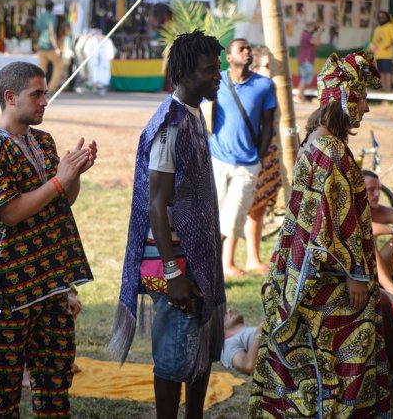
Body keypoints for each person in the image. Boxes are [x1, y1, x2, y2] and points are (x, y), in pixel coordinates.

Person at [248, 51, 390, 417]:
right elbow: (336, 221)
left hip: (301, 273)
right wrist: (357, 274)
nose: (367, 110)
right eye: (363, 99)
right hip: (329, 280)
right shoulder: (332, 152)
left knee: (309, 359)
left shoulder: (315, 140)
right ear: (345, 99)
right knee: (345, 356)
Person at [0, 61, 96, 417]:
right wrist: (59, 179)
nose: (44, 102)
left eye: (45, 94)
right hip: (10, 284)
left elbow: (63, 200)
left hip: (51, 280)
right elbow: (10, 212)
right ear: (10, 97)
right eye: (36, 94)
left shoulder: (42, 140)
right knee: (4, 389)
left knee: (55, 380)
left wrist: (74, 174)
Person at [109, 30, 226, 419]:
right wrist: (175, 271)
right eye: (210, 70)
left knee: (200, 350)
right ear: (184, 73)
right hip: (176, 264)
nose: (218, 75)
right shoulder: (169, 126)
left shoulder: (194, 115)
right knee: (175, 358)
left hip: (198, 259)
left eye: (218, 67)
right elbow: (157, 206)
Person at [209, 38, 276, 278]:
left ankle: (212, 264)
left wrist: (261, 154)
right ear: (229, 57)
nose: (247, 51)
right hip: (216, 159)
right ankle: (213, 267)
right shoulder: (217, 80)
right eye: (242, 49)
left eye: (249, 48)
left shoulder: (264, 85)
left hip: (247, 163)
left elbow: (268, 124)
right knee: (211, 214)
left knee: (234, 217)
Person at [244, 47, 282, 273]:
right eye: (268, 66)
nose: (273, 71)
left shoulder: (273, 89)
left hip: (270, 155)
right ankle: (227, 261)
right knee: (244, 208)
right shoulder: (255, 88)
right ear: (257, 68)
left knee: (258, 209)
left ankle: (253, 257)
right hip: (253, 154)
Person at [362, 169, 393, 297]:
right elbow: (365, 228)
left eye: (378, 189)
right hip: (357, 275)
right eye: (371, 190)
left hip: (379, 272)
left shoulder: (383, 211)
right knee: (369, 242)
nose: (377, 194)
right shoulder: (351, 211)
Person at [221, 309, 261, 375]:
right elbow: (248, 367)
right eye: (224, 313)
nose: (229, 311)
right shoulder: (228, 343)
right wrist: (260, 333)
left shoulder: (248, 331)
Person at [35, 0, 63, 92]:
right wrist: (56, 48)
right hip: (49, 46)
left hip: (41, 44)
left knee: (42, 69)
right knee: (58, 65)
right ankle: (51, 87)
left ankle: (38, 87)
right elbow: (52, 33)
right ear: (52, 7)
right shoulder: (52, 17)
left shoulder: (40, 16)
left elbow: (37, 30)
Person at [295, 19, 323, 103]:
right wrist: (319, 32)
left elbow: (318, 42)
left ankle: (301, 96)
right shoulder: (306, 34)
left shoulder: (307, 34)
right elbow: (317, 42)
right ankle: (298, 96)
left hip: (306, 59)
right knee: (306, 78)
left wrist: (318, 33)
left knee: (307, 78)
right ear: (310, 27)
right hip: (306, 59)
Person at [369, 10, 393, 92]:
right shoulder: (377, 29)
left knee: (387, 72)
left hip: (386, 55)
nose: (381, 18)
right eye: (379, 17)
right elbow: (374, 42)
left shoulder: (391, 26)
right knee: (380, 72)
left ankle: (388, 88)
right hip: (377, 55)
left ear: (387, 17)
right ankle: (383, 88)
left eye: (383, 17)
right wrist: (372, 46)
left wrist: (388, 46)